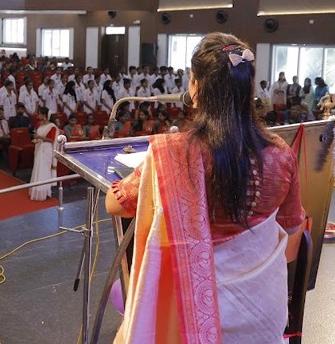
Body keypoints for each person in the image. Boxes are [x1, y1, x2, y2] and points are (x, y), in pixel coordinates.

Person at [105, 33, 305, 343]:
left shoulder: (175, 154)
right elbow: (292, 229)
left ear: (196, 86)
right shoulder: (281, 154)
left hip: (193, 314)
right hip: (264, 311)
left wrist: (150, 180)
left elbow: (115, 204)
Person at [29, 107, 58, 201]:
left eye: (40, 114)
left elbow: (52, 140)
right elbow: (37, 136)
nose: (38, 116)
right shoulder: (39, 124)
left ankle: (44, 191)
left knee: (44, 169)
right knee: (38, 167)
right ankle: (37, 190)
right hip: (39, 147)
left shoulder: (52, 126)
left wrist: (40, 137)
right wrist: (36, 139)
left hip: (47, 149)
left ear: (45, 116)